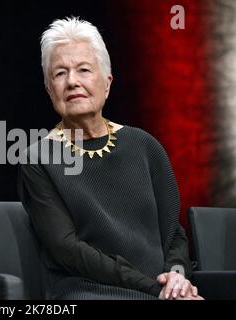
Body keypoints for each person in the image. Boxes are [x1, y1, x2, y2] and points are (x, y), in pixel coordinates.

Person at [17, 17, 204, 300]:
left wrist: (176, 277)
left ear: (106, 83)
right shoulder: (38, 159)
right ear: (48, 90)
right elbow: (68, 251)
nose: (72, 82)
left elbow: (173, 233)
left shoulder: (144, 145)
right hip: (90, 291)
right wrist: (155, 289)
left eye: (83, 69)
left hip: (161, 290)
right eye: (59, 74)